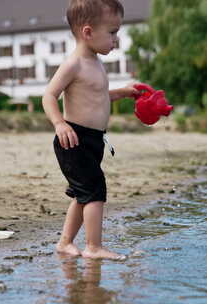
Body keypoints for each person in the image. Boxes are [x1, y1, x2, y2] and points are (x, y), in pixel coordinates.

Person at [42, 0, 138, 260]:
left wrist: (123, 92)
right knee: (94, 190)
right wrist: (59, 123)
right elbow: (49, 95)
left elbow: (97, 96)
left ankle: (65, 243)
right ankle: (93, 247)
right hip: (73, 138)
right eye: (112, 32)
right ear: (87, 32)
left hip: (93, 141)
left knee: (82, 194)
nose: (116, 39)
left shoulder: (95, 62)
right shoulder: (74, 64)